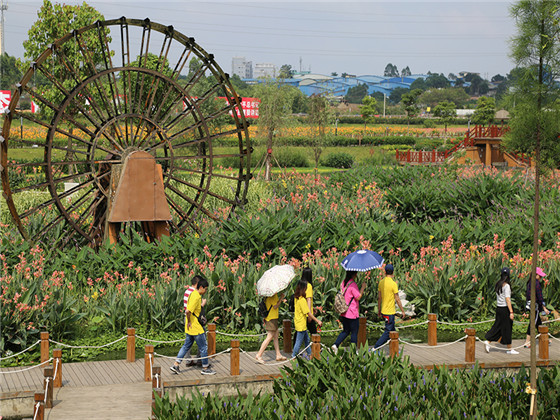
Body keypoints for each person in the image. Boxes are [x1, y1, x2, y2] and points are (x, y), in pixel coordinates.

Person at [170, 276, 215, 375]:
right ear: (201, 287)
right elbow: (188, 311)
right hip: (196, 328)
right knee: (203, 347)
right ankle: (205, 367)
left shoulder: (193, 294)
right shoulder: (196, 296)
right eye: (206, 289)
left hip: (190, 328)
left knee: (186, 345)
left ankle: (176, 364)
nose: (206, 291)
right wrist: (189, 321)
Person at [483, 267, 517, 354]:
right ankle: (508, 349)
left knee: (499, 327)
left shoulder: (498, 284)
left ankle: (493, 342)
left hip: (499, 308)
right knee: (507, 328)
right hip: (505, 309)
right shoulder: (507, 286)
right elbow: (507, 299)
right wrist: (511, 312)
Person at [331, 270, 366, 354]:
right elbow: (358, 297)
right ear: (354, 274)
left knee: (346, 331)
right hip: (352, 312)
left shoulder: (344, 282)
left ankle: (335, 345)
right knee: (354, 332)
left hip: (344, 311)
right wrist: (363, 287)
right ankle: (354, 351)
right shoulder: (353, 285)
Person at [373, 264, 405, 350]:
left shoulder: (381, 282)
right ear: (393, 272)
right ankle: (375, 348)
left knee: (392, 330)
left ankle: (394, 349)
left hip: (384, 311)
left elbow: (379, 298)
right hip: (390, 312)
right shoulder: (393, 284)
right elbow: (397, 299)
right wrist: (402, 311)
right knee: (387, 332)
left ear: (385, 272)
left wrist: (379, 310)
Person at [255, 292, 287, 363]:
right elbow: (275, 306)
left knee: (276, 336)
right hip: (271, 318)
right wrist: (281, 298)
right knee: (270, 336)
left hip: (272, 318)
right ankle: (259, 354)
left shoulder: (267, 295)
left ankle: (278, 354)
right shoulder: (273, 296)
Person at [524, 267, 551, 348]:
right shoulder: (536, 284)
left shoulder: (529, 283)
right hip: (534, 306)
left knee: (538, 322)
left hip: (530, 304)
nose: (541, 277)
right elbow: (539, 297)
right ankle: (527, 342)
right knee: (532, 323)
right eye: (540, 276)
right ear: (536, 275)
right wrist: (544, 308)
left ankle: (545, 338)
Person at [183, 275, 206, 367]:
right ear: (197, 284)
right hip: (193, 320)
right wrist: (203, 305)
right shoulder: (194, 293)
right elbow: (194, 308)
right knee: (202, 341)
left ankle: (188, 360)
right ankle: (201, 360)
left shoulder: (187, 291)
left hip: (187, 318)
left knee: (188, 341)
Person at [292, 280, 312, 359]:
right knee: (298, 342)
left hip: (298, 322)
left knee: (307, 340)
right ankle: (293, 356)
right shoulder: (302, 300)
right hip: (302, 325)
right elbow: (308, 313)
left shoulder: (296, 298)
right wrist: (317, 321)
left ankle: (310, 354)